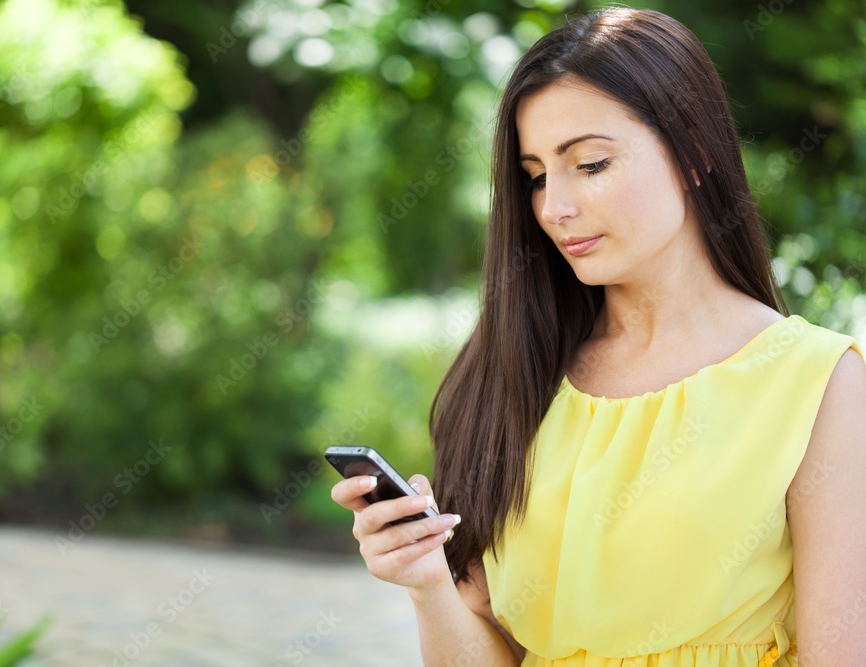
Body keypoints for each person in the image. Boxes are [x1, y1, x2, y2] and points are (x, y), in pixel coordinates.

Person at [331, 6, 866, 666]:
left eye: (589, 164)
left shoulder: (819, 382)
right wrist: (427, 584)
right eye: (535, 175)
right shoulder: (515, 374)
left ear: (694, 151)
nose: (555, 206)